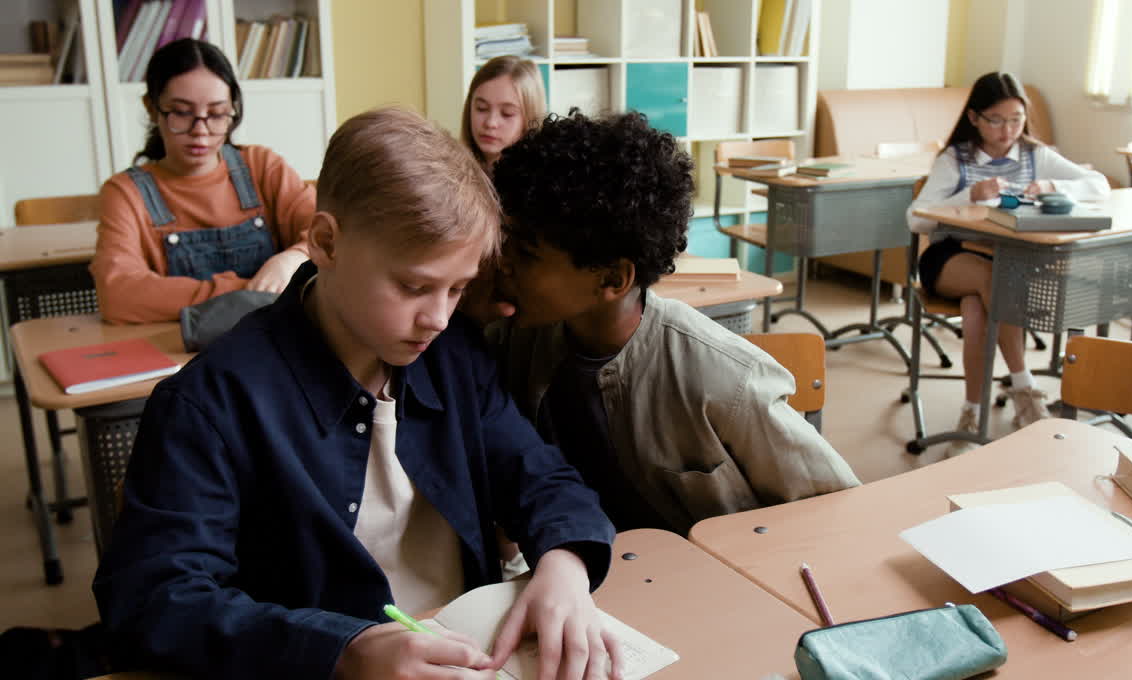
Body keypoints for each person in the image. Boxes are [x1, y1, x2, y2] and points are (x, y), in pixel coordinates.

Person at [92, 107, 621, 680]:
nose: (439, 317)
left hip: (466, 651)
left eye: (458, 288)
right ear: (325, 242)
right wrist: (344, 651)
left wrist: (564, 564)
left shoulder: (455, 356)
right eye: (414, 286)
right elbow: (156, 598)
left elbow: (540, 474)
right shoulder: (209, 404)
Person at [468, 110, 859, 537]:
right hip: (592, 572)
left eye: (524, 253)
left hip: (707, 581)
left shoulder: (726, 380)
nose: (500, 263)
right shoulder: (514, 338)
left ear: (613, 279)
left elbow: (837, 511)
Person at [907, 71, 1109, 454]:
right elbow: (916, 218)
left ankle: (972, 412)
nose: (1007, 130)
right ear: (974, 118)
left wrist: (1051, 185)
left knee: (976, 309)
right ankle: (1024, 390)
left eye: (1015, 119)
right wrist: (969, 194)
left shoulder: (1034, 154)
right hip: (949, 258)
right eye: (996, 120)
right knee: (995, 280)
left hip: (1007, 261)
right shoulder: (956, 159)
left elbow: (1099, 185)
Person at [91, 38, 315, 325]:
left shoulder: (262, 167)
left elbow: (328, 234)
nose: (201, 131)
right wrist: (246, 292)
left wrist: (293, 259)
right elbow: (118, 296)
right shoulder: (126, 193)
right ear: (151, 108)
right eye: (182, 113)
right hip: (182, 352)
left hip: (274, 339)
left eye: (217, 113)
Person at [459, 55, 547, 173]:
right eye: (481, 108)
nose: (490, 123)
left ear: (531, 118)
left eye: (507, 113)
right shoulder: (448, 170)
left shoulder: (543, 181)